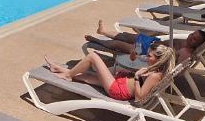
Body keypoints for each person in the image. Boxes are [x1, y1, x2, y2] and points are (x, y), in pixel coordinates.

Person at [44, 42, 176, 102]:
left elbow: (139, 98)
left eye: (150, 56)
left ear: (159, 59)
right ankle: (60, 69)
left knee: (93, 56)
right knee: (87, 76)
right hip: (120, 83)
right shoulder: (158, 70)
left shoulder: (154, 76)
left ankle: (67, 75)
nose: (146, 58)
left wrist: (136, 77)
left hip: (117, 90)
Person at [83, 21, 205, 63]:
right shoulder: (185, 42)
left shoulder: (185, 52)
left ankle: (97, 41)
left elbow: (168, 60)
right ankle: (103, 32)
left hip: (147, 52)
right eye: (192, 35)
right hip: (152, 42)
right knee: (125, 35)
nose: (191, 37)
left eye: (194, 39)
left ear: (197, 44)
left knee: (118, 44)